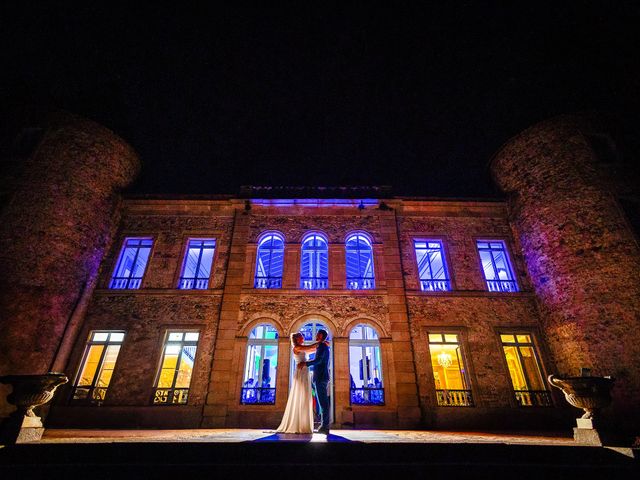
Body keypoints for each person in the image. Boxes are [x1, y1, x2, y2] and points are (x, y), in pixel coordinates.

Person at [275, 332, 326, 434]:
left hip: (305, 372)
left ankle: (303, 423)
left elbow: (312, 349)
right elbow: (311, 347)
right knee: (301, 396)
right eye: (301, 337)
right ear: (297, 339)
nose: (303, 338)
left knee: (306, 396)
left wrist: (321, 345)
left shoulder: (301, 348)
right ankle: (298, 424)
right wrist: (321, 343)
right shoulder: (297, 348)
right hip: (301, 372)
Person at [299, 328, 331, 435]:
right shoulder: (322, 346)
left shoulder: (322, 346)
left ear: (321, 336)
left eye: (317, 334)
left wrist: (306, 363)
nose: (316, 335)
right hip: (321, 377)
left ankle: (325, 426)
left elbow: (319, 360)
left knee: (323, 403)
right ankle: (324, 425)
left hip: (321, 377)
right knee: (322, 402)